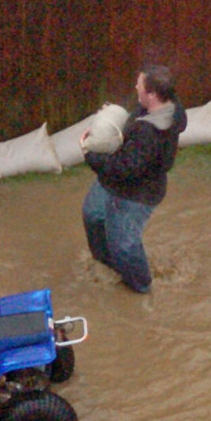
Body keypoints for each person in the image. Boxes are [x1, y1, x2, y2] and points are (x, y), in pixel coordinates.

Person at [80, 64, 188, 294]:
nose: (135, 87)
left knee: (125, 245)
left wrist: (89, 154)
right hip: (117, 180)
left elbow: (121, 169)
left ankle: (142, 287)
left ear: (152, 94)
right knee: (93, 215)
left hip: (134, 195)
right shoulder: (164, 107)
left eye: (139, 85)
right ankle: (106, 263)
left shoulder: (150, 134)